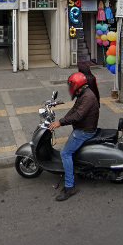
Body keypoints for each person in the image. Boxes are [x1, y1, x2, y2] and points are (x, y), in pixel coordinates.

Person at [48, 72, 100, 201]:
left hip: (84, 131)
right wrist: (62, 119)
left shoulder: (88, 97)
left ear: (77, 85)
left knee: (65, 153)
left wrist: (60, 123)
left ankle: (69, 187)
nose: (70, 88)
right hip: (82, 128)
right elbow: (74, 110)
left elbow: (78, 115)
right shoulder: (83, 94)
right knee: (69, 151)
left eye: (71, 85)